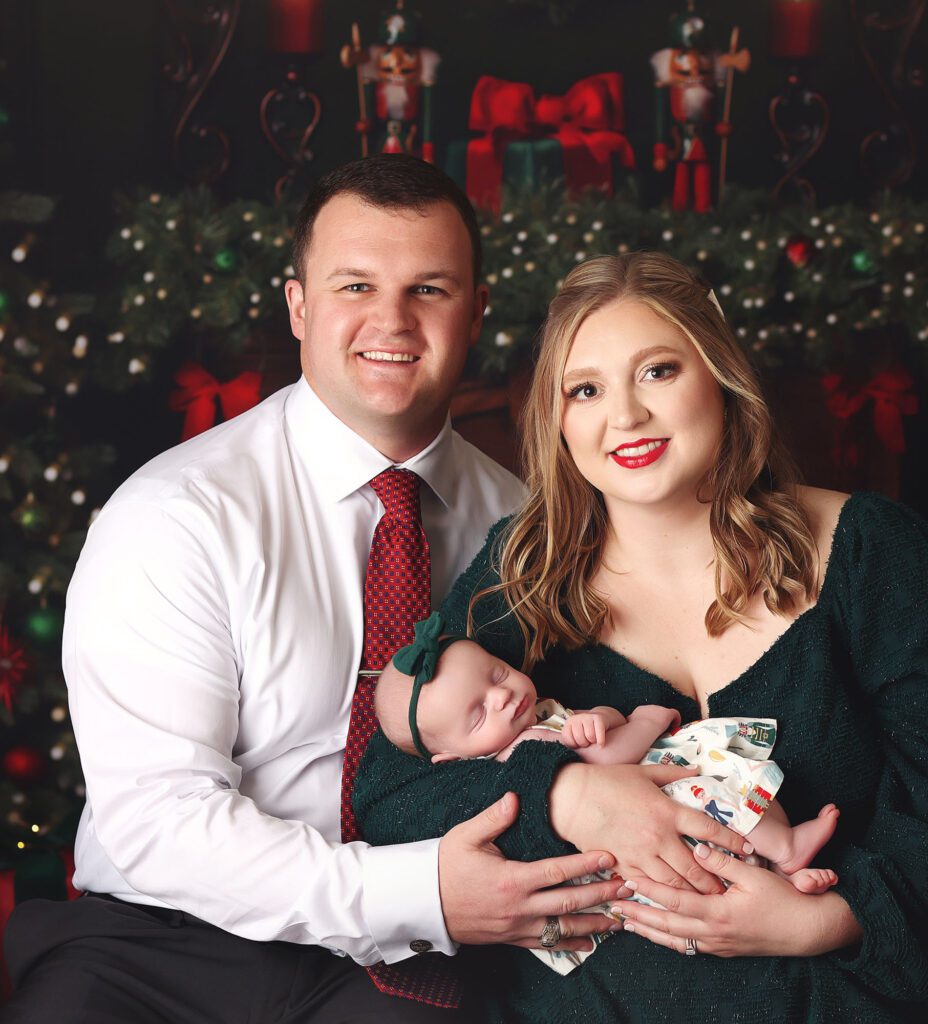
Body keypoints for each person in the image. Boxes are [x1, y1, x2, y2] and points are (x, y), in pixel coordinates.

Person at [0, 156, 651, 1023]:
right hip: (165, 942)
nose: (393, 320)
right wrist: (414, 892)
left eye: (429, 289)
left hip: (426, 960)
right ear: (299, 306)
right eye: (355, 286)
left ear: (477, 312)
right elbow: (158, 819)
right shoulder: (178, 514)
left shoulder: (529, 529)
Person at [355, 252, 928, 1023]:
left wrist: (826, 922)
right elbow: (393, 794)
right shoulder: (524, 571)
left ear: (720, 378)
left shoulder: (873, 552)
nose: (625, 416)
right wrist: (565, 794)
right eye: (585, 389)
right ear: (557, 419)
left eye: (658, 371)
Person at [375, 615, 839, 896]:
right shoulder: (522, 752)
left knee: (729, 796)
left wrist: (600, 715)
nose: (502, 697)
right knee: (716, 788)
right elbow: (606, 759)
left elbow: (594, 728)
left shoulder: (539, 715)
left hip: (647, 806)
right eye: (478, 715)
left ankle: (781, 877)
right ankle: (784, 849)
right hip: (644, 809)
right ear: (453, 759)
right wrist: (644, 722)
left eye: (497, 674)